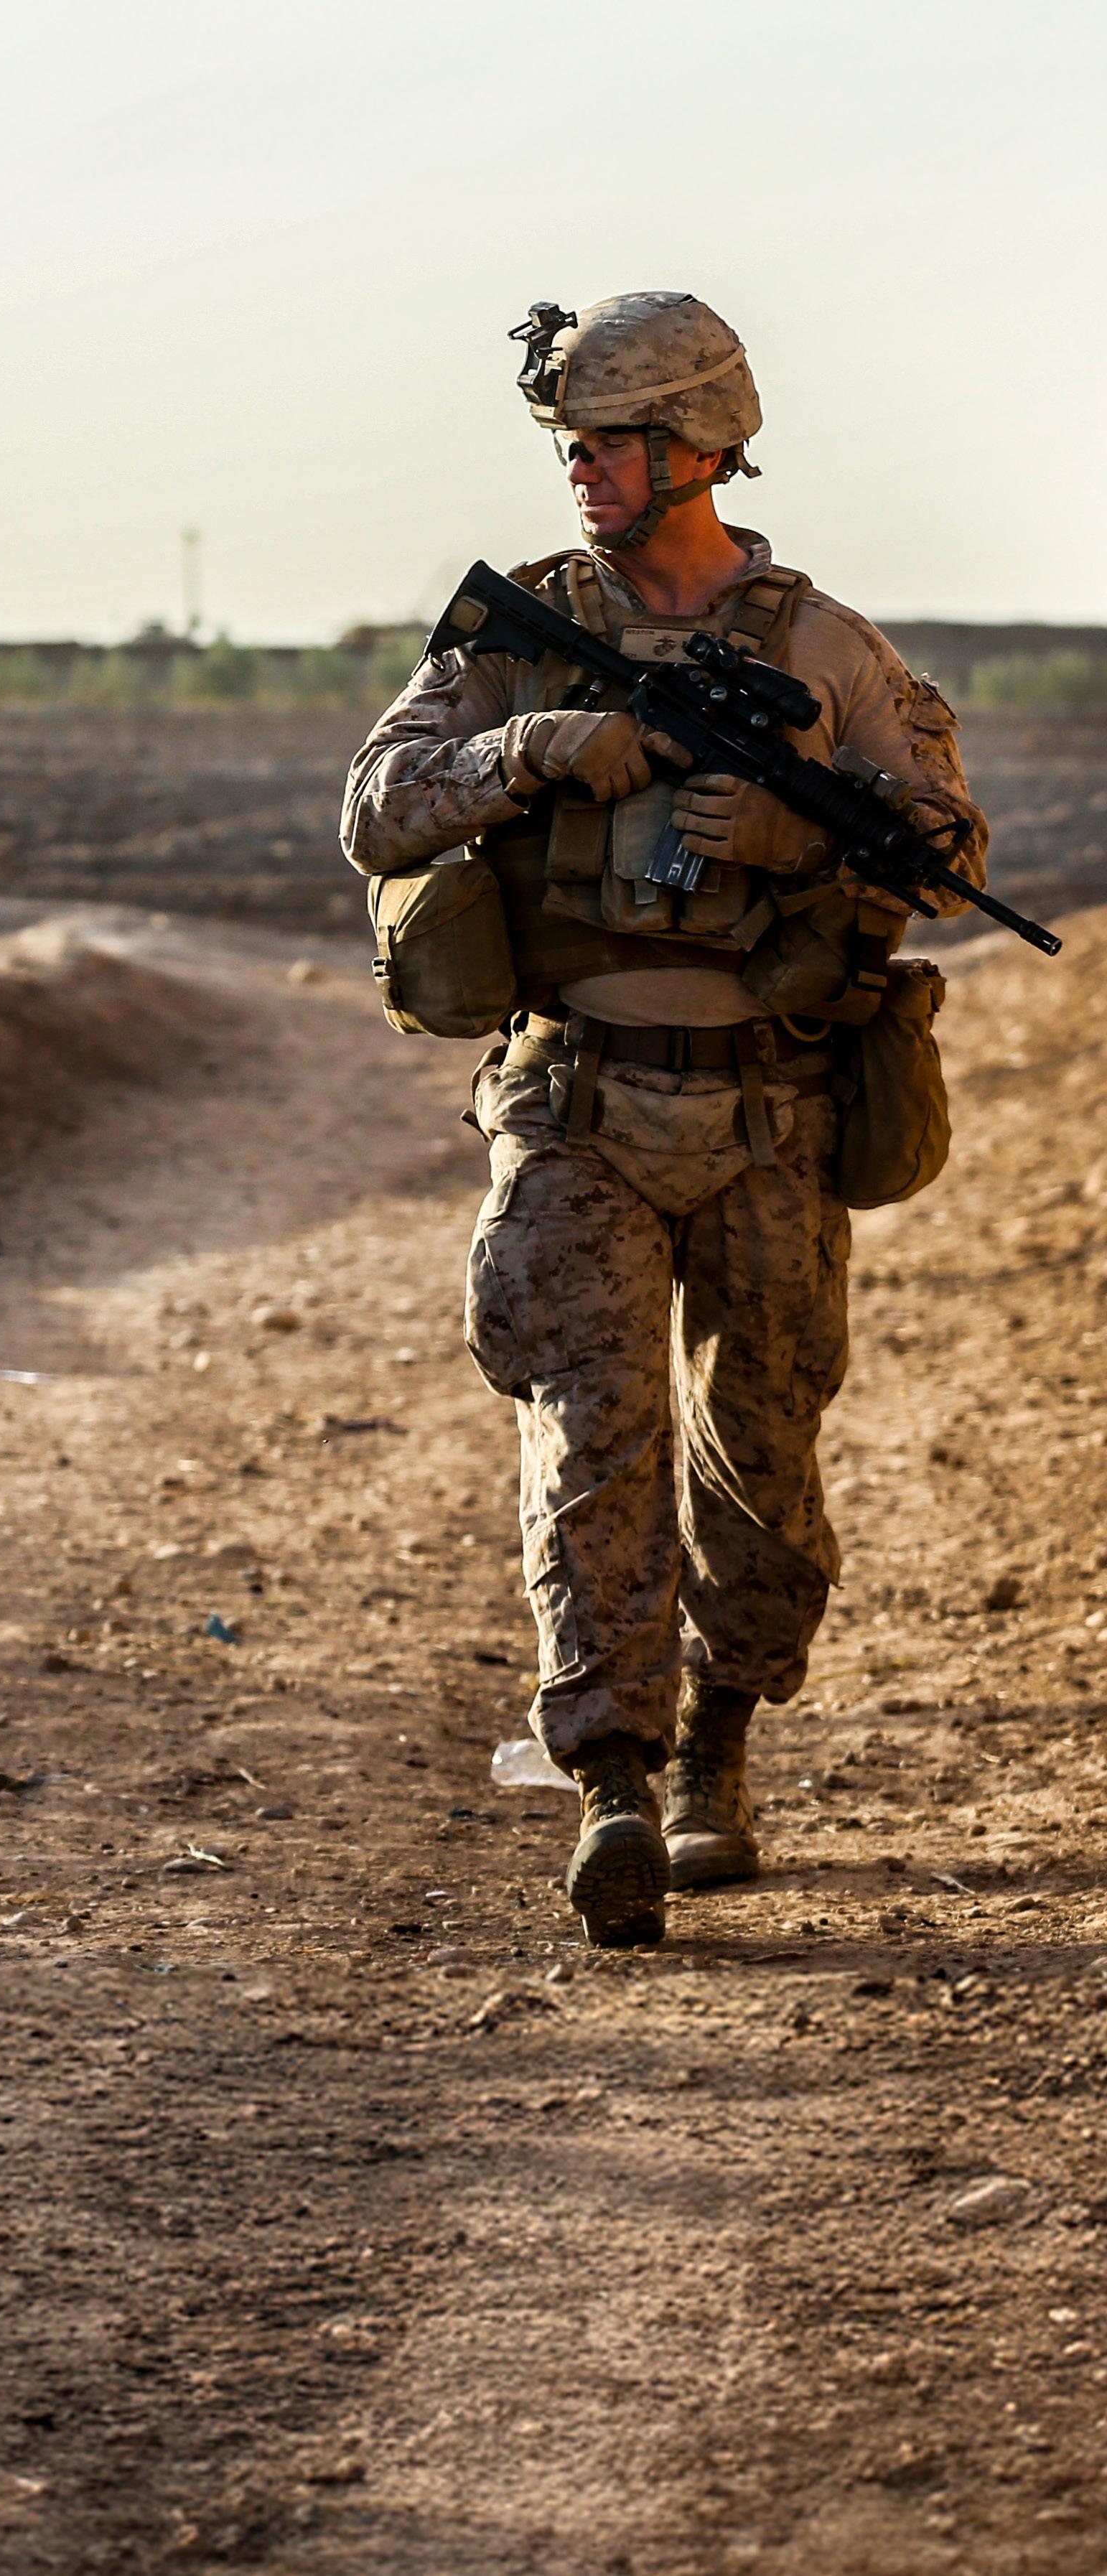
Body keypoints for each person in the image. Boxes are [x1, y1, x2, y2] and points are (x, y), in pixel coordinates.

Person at [340, 291, 986, 1946]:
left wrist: (795, 838)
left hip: (771, 1105)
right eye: (568, 440)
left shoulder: (824, 647)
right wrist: (539, 749)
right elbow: (376, 811)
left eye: (610, 439)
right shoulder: (514, 633)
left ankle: (715, 1748)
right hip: (572, 1100)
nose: (581, 466)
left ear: (698, 447)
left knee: (761, 1449)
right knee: (589, 1440)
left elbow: (947, 850)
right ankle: (611, 1781)